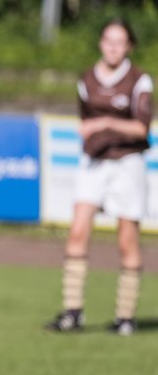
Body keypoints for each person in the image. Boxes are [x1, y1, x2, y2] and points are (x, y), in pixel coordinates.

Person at [45, 19, 153, 336]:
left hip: (127, 163)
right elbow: (84, 119)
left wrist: (105, 123)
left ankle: (125, 317)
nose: (113, 47)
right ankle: (72, 312)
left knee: (126, 239)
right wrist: (92, 134)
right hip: (94, 163)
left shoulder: (139, 80)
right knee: (77, 231)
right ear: (100, 42)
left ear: (129, 46)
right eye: (108, 40)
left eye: (119, 42)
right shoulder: (87, 79)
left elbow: (141, 128)